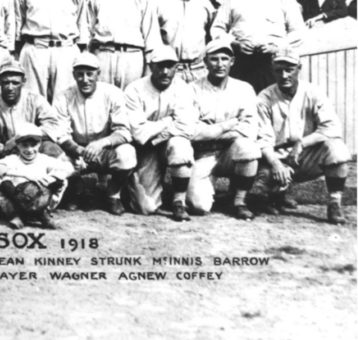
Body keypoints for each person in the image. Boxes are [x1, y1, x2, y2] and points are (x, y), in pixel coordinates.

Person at [255, 47, 350, 225]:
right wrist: (275, 164)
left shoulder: (313, 92)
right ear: (272, 70)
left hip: (304, 156)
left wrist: (301, 144)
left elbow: (332, 127)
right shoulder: (264, 97)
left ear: (299, 68)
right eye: (278, 70)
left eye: (289, 69)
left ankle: (334, 203)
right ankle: (276, 195)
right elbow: (263, 139)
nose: (284, 75)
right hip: (276, 158)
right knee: (262, 185)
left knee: (336, 149)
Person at [51, 52, 136, 215]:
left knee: (127, 154)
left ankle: (113, 194)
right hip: (76, 151)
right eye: (80, 74)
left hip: (105, 149)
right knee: (55, 157)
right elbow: (60, 134)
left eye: (89, 74)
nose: (85, 79)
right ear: (73, 75)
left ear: (98, 74)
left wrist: (101, 144)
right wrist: (78, 150)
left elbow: (124, 131)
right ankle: (75, 189)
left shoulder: (113, 93)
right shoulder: (63, 97)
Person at [211, 0, 304, 93]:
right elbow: (217, 28)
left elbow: (298, 32)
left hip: (273, 65)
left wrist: (276, 47)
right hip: (240, 65)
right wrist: (233, 43)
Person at [186, 39, 260, 220]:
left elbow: (250, 129)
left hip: (230, 152)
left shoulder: (244, 88)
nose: (220, 64)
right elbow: (191, 131)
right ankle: (214, 193)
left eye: (224, 59)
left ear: (232, 61)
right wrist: (230, 125)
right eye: (214, 59)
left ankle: (239, 201)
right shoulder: (192, 89)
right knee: (198, 207)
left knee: (249, 148)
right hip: (202, 154)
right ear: (205, 62)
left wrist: (209, 131)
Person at [124, 45, 197, 221]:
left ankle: (179, 202)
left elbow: (186, 127)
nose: (165, 72)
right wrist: (169, 120)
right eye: (160, 66)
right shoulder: (134, 89)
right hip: (144, 150)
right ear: (150, 66)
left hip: (163, 144)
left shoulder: (184, 89)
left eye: (170, 66)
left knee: (181, 145)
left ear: (176, 67)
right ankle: (130, 186)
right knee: (145, 208)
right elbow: (139, 133)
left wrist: (157, 137)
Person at [0, 59, 71, 187]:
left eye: (15, 82)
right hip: (5, 153)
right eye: (6, 82)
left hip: (33, 148)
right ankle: (7, 193)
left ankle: (52, 190)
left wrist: (20, 138)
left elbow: (53, 125)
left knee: (52, 149)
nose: (10, 87)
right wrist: (7, 149)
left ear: (23, 81)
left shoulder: (35, 99)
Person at [86, 0, 161, 90]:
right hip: (103, 54)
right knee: (102, 98)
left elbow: (151, 38)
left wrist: (148, 70)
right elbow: (87, 32)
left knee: (131, 99)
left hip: (132, 57)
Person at [0, 122, 71, 229]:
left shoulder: (44, 159)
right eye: (24, 145)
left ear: (39, 144)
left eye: (33, 145)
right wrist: (26, 175)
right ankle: (20, 215)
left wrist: (50, 179)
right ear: (17, 145)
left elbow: (68, 168)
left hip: (42, 203)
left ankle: (40, 214)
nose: (29, 150)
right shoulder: (12, 160)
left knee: (62, 180)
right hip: (16, 205)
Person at [153, 0, 215, 83]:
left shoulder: (205, 4)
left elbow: (212, 37)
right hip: (169, 71)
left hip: (199, 70)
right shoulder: (158, 4)